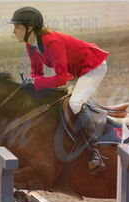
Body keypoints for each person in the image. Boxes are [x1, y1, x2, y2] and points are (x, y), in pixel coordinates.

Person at [8, 6, 109, 172]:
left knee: (75, 103)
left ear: (30, 28)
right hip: (76, 70)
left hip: (93, 67)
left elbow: (62, 78)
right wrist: (29, 87)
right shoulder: (30, 44)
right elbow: (37, 73)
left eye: (17, 27)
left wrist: (36, 84)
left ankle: (94, 150)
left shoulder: (51, 42)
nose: (14, 31)